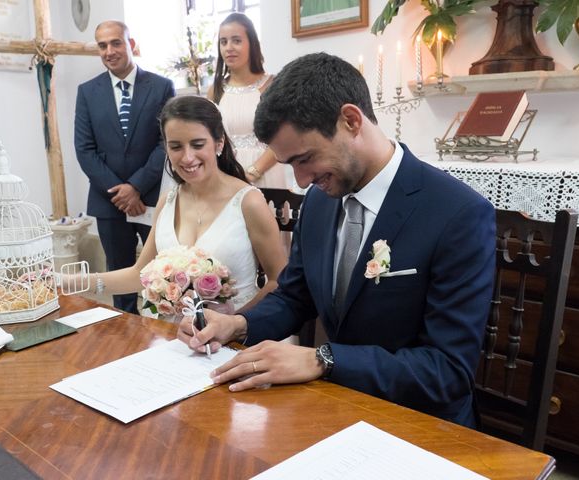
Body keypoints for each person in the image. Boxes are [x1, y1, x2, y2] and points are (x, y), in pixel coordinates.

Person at [179, 53, 496, 428]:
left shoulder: (457, 213)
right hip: (336, 407)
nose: (299, 181)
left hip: (422, 424)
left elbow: (446, 371)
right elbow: (296, 296)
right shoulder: (320, 201)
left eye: (305, 158)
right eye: (289, 165)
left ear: (351, 120)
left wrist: (323, 359)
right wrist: (238, 325)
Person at [74, 95, 286, 316]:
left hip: (238, 338)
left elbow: (277, 282)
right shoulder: (167, 201)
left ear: (219, 142)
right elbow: (139, 273)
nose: (187, 158)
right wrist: (71, 282)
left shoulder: (249, 202)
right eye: (176, 146)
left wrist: (234, 324)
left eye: (197, 144)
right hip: (173, 334)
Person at [74, 20, 175, 314]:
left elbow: (165, 142)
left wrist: (136, 187)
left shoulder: (161, 86)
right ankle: (126, 341)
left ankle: (166, 335)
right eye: (102, 45)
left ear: (131, 44)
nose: (109, 51)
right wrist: (119, 192)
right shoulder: (87, 92)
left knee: (164, 276)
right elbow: (84, 149)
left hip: (151, 197)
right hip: (109, 203)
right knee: (118, 280)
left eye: (116, 43)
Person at [208, 13, 291, 189]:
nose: (228, 48)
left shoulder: (273, 85)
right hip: (227, 177)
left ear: (252, 44)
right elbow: (211, 138)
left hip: (267, 173)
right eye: (223, 42)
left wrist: (253, 172)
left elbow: (283, 136)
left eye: (236, 40)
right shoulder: (215, 90)